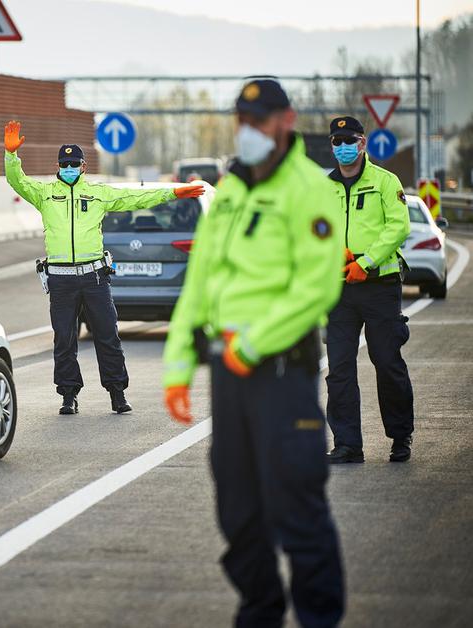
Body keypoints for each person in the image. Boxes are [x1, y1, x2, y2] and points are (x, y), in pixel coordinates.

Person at [162, 79, 346, 627]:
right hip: (229, 373)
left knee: (296, 505)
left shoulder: (310, 190)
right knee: (238, 510)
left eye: (260, 120)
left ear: (285, 120)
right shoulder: (233, 188)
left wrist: (255, 342)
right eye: (242, 121)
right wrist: (177, 367)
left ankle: (318, 618)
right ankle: (260, 611)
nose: (250, 132)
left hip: (280, 372)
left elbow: (316, 287)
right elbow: (200, 280)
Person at [3, 120, 204, 415]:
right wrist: (11, 155)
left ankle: (117, 393)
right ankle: (68, 395)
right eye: (64, 164)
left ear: (83, 166)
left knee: (108, 335)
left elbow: (136, 198)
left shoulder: (98, 193)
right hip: (60, 280)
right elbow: (16, 180)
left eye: (74, 163)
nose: (68, 168)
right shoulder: (44, 194)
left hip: (94, 277)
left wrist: (172, 194)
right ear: (58, 166)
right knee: (64, 340)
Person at [324, 115, 414, 463]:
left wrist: (366, 262)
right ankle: (347, 444)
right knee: (340, 369)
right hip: (339, 290)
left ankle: (400, 436)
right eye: (337, 142)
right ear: (332, 147)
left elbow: (398, 227)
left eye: (350, 141)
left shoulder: (385, 182)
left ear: (363, 144)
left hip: (379, 286)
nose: (344, 147)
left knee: (387, 361)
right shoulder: (324, 188)